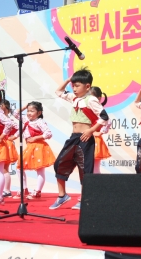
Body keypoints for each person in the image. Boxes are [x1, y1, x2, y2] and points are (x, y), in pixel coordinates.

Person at [50, 67, 109, 210]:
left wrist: (91, 130)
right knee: (59, 164)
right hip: (73, 137)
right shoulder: (73, 98)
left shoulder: (91, 99)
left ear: (87, 86)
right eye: (73, 86)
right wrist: (68, 80)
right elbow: (58, 92)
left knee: (85, 169)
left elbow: (104, 117)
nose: (74, 88)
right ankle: (62, 195)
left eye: (77, 85)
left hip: (85, 138)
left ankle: (84, 199)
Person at [12, 101, 56, 199]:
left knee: (40, 170)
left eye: (32, 111)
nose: (29, 113)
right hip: (30, 147)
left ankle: (37, 191)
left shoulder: (40, 121)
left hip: (39, 147)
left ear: (39, 113)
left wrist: (36, 138)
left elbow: (48, 133)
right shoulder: (25, 119)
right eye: (28, 111)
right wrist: (25, 107)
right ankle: (24, 189)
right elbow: (15, 113)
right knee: (19, 167)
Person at [89, 87, 111, 174]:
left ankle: (96, 186)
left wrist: (100, 132)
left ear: (98, 98)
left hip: (95, 140)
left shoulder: (99, 109)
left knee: (95, 167)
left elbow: (108, 121)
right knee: (86, 166)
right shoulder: (86, 107)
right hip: (85, 137)